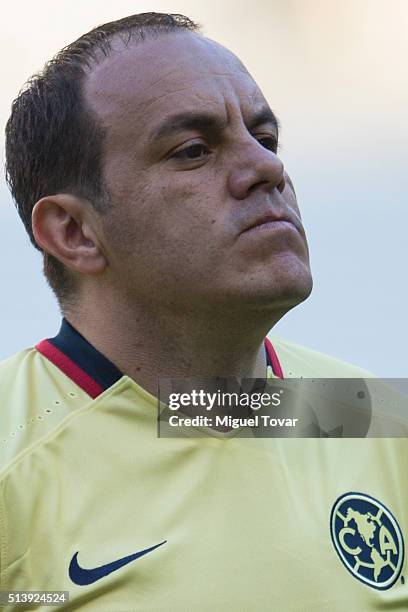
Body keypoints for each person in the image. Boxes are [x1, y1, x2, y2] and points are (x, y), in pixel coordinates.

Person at [1, 12, 406, 611]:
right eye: (193, 151)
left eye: (265, 139)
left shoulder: (373, 416)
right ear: (75, 231)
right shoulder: (15, 453)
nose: (267, 169)